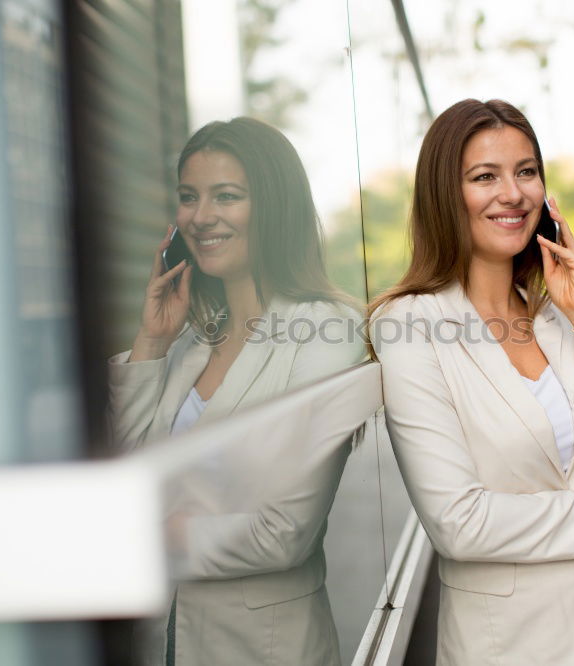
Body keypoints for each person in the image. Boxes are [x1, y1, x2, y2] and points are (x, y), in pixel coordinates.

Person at [368, 99, 574, 665]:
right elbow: (459, 524)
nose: (513, 193)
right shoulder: (409, 325)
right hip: (516, 649)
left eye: (526, 171)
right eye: (485, 176)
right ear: (444, 196)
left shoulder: (557, 318)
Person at [107, 116, 363, 665]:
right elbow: (122, 477)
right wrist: (151, 341)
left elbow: (282, 532)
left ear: (272, 205)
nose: (202, 217)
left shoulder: (326, 330)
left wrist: (141, 537)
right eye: (189, 197)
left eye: (227, 196)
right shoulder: (191, 343)